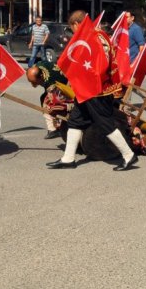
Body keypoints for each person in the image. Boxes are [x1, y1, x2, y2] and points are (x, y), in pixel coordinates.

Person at [47, 10, 137, 171]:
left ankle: (129, 155)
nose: (73, 32)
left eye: (72, 28)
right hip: (87, 89)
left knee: (105, 123)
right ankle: (68, 159)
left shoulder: (91, 37)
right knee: (75, 120)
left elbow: (99, 65)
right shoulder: (100, 34)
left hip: (96, 90)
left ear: (76, 24)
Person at [25, 60, 69, 139]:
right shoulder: (38, 65)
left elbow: (53, 98)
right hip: (58, 79)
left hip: (66, 85)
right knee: (45, 99)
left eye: (34, 82)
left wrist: (51, 108)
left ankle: (53, 129)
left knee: (47, 103)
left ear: (41, 76)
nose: (33, 85)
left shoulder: (50, 83)